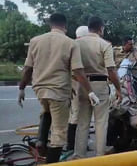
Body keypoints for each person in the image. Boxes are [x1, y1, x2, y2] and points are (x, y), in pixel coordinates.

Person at [18, 13, 99, 163]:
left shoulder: (35, 41)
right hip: (59, 91)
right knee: (59, 133)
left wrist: (22, 88)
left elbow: (28, 68)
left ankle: (41, 141)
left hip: (40, 89)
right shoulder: (70, 43)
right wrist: (91, 91)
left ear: (50, 24)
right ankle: (51, 162)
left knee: (46, 110)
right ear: (65, 26)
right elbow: (77, 71)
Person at [73, 16, 122, 158]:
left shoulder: (77, 44)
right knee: (101, 122)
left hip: (82, 85)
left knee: (82, 123)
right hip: (100, 85)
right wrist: (118, 89)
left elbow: (73, 68)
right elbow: (111, 70)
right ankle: (100, 155)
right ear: (101, 28)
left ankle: (79, 156)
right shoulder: (104, 44)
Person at [66, 26, 89, 151]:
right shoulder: (79, 46)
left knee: (73, 113)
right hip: (77, 82)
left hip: (69, 82)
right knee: (77, 114)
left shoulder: (70, 44)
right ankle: (73, 145)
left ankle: (72, 144)